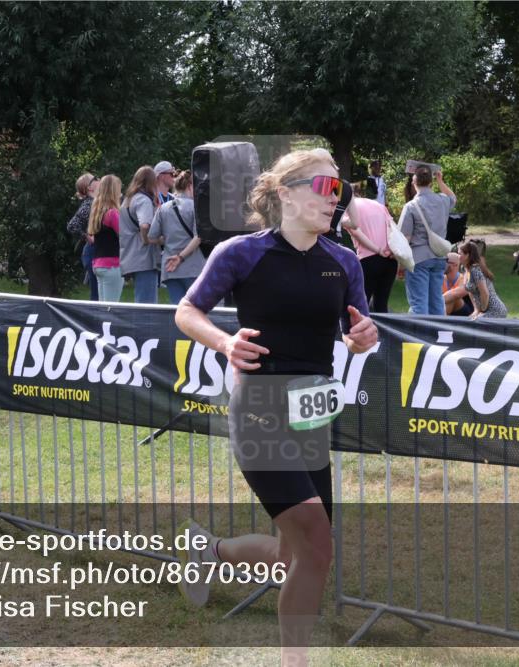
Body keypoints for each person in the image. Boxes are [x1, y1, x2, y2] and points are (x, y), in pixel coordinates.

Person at [174, 148, 377, 666]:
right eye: (325, 189)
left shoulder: (344, 261)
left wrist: (363, 338)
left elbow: (360, 331)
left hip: (312, 411)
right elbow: (188, 310)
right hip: (259, 407)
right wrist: (223, 344)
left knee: (296, 554)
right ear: (286, 193)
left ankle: (209, 551)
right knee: (317, 545)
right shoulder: (242, 253)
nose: (337, 200)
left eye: (341, 191)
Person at [399, 165, 456, 315]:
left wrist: (401, 264)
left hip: (419, 258)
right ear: (431, 182)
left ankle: (418, 337)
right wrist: (440, 181)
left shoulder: (411, 206)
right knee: (437, 301)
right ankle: (437, 335)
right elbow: (453, 198)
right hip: (439, 257)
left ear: (414, 182)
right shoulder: (443, 201)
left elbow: (405, 238)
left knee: (419, 303)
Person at [148, 169, 205, 304]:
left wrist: (167, 239)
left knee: (178, 310)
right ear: (190, 186)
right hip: (193, 267)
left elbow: (151, 237)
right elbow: (198, 237)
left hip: (169, 267)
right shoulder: (196, 208)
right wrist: (180, 257)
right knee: (195, 309)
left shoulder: (163, 208)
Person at [343, 183, 397, 312]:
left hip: (369, 259)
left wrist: (378, 250)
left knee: (362, 304)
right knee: (381, 304)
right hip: (390, 259)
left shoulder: (348, 209)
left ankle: (361, 332)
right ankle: (383, 332)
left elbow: (356, 231)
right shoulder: (377, 205)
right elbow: (391, 226)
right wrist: (389, 249)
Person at [120, 166, 162, 303]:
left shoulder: (128, 199)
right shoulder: (143, 200)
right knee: (147, 303)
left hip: (131, 253)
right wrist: (147, 239)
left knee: (140, 299)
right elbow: (144, 225)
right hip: (144, 257)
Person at [88, 175, 125, 302]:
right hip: (112, 264)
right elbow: (124, 235)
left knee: (103, 306)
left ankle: (100, 323)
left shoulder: (97, 212)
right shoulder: (112, 213)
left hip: (99, 264)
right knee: (111, 307)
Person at [67, 172, 100, 300]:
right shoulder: (89, 204)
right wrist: (87, 236)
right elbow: (72, 225)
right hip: (92, 252)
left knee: (99, 293)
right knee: (97, 294)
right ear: (90, 188)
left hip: (96, 251)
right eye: (95, 178)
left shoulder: (96, 202)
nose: (99, 179)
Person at [459, 241, 507, 319]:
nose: (458, 256)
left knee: (475, 323)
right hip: (482, 309)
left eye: (459, 254)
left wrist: (482, 310)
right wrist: (476, 310)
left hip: (495, 310)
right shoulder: (464, 269)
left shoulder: (475, 270)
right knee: (469, 321)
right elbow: (470, 291)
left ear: (467, 255)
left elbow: (484, 292)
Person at [442, 252, 473, 316]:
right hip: (446, 308)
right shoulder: (441, 279)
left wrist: (436, 301)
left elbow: (455, 294)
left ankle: (437, 323)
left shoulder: (464, 279)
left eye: (446, 261)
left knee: (453, 299)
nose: (442, 264)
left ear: (455, 264)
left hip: (467, 313)